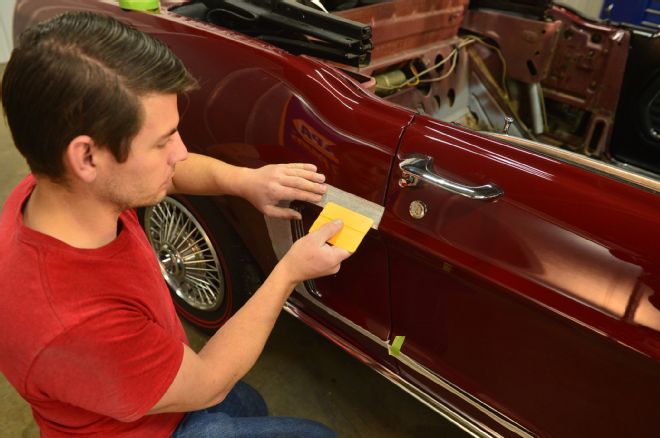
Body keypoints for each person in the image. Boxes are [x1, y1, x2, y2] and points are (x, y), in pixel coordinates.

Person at [0, 10, 351, 438]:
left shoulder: (60, 189)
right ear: (87, 157)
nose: (181, 152)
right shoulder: (73, 322)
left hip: (151, 384)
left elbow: (162, 172)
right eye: (163, 141)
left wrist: (245, 181)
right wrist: (288, 274)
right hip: (148, 428)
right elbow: (206, 383)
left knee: (247, 403)